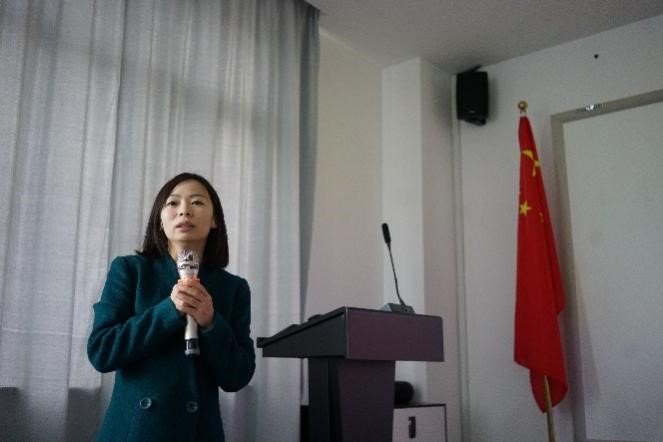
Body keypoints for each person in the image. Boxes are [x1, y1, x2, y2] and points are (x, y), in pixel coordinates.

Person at [87, 172, 255, 441]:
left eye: (197, 202)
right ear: (160, 219)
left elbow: (238, 376)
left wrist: (211, 323)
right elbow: (101, 351)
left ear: (214, 220)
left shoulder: (234, 288)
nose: (184, 210)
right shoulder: (130, 270)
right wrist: (168, 310)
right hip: (136, 432)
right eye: (173, 203)